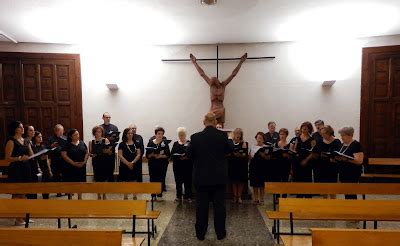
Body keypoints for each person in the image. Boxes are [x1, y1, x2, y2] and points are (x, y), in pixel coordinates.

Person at [188, 112, 232, 241]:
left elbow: (189, 154)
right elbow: (230, 150)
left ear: (204, 122)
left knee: (201, 207)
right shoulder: (223, 136)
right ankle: (220, 233)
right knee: (220, 208)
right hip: (219, 178)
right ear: (215, 122)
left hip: (201, 179)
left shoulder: (195, 137)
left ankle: (200, 234)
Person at [190, 53, 247, 127]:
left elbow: (233, 74)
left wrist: (241, 62)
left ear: (217, 81)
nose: (211, 82)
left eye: (213, 81)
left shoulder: (223, 85)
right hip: (212, 110)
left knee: (221, 128)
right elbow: (202, 74)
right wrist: (194, 62)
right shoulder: (211, 86)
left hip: (221, 109)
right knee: (209, 125)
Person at [5, 121, 33, 225]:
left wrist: (33, 154)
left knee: (25, 194)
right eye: (20, 127)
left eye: (22, 127)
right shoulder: (11, 141)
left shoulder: (25, 140)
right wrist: (20, 158)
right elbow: (7, 158)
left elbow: (30, 154)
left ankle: (25, 217)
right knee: (17, 194)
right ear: (15, 129)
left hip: (26, 168)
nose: (23, 128)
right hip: (16, 169)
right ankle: (18, 218)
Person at [335, 126, 364, 199]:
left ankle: (353, 208)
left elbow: (359, 161)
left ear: (350, 135)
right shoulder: (342, 144)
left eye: (343, 135)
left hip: (352, 172)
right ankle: (348, 206)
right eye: (341, 135)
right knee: (346, 192)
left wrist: (346, 160)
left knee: (351, 192)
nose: (341, 137)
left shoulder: (356, 145)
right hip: (343, 171)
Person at [61, 129, 89, 200]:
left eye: (78, 134)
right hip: (71, 167)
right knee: (71, 183)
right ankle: (70, 198)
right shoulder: (67, 144)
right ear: (70, 136)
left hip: (81, 167)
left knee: (80, 183)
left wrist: (85, 161)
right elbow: (64, 155)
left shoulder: (82, 143)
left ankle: (80, 197)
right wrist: (73, 163)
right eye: (75, 135)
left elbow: (86, 152)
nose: (77, 136)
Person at [291, 122, 316, 198]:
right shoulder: (298, 138)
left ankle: (308, 200)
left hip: (307, 163)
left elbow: (313, 153)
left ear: (309, 129)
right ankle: (299, 199)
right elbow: (295, 149)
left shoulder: (312, 140)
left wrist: (306, 160)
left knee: (306, 182)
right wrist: (294, 153)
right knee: (298, 182)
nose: (303, 130)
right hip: (297, 162)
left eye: (305, 129)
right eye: (302, 128)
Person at [89, 126, 113, 200]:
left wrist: (108, 151)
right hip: (96, 161)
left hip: (104, 161)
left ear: (102, 133)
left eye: (100, 132)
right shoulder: (91, 142)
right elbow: (90, 153)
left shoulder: (105, 140)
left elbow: (110, 153)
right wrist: (91, 154)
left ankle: (104, 194)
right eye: (96, 131)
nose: (98, 133)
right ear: (94, 133)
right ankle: (98, 195)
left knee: (104, 179)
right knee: (97, 179)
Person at [146, 127, 171, 198]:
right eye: (158, 134)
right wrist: (152, 155)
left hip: (162, 164)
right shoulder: (150, 142)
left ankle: (159, 192)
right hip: (152, 164)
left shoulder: (165, 143)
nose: (160, 135)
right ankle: (153, 193)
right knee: (153, 178)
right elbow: (147, 155)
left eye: (161, 134)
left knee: (161, 178)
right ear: (155, 134)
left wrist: (160, 156)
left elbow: (168, 155)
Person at [118, 127, 142, 200]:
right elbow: (120, 155)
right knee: (125, 182)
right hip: (124, 165)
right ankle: (125, 197)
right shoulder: (121, 144)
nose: (130, 134)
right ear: (125, 134)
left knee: (134, 181)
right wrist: (128, 164)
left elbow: (138, 154)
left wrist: (132, 162)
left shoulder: (137, 143)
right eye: (128, 133)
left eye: (131, 133)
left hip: (135, 165)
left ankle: (134, 196)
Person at [171, 127, 193, 202]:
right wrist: (177, 156)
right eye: (180, 135)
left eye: (182, 134)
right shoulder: (175, 143)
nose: (181, 136)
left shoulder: (189, 143)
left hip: (187, 166)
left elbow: (192, 154)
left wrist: (186, 157)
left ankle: (188, 196)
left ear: (185, 134)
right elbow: (172, 155)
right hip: (177, 166)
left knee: (188, 181)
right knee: (178, 182)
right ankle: (178, 196)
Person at [227, 128, 248, 204]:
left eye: (239, 134)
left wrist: (239, 155)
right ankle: (235, 196)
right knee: (234, 181)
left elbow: (245, 154)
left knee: (240, 181)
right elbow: (229, 152)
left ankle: (239, 196)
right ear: (234, 134)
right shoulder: (231, 143)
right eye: (236, 134)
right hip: (233, 164)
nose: (238, 135)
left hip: (241, 165)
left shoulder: (243, 143)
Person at [249, 132, 270, 205]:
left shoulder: (266, 147)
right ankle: (255, 199)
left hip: (263, 167)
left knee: (261, 184)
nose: (259, 139)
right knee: (255, 184)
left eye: (261, 138)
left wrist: (262, 155)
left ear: (263, 139)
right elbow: (250, 157)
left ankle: (261, 199)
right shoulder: (252, 146)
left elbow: (268, 158)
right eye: (258, 137)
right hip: (254, 166)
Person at [47, 124, 67, 197]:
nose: (61, 132)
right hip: (55, 160)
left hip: (65, 160)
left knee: (65, 176)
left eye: (62, 130)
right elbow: (46, 149)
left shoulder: (66, 138)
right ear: (55, 131)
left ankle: (66, 190)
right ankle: (58, 191)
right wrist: (51, 146)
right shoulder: (50, 139)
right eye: (59, 131)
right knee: (56, 176)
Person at [31, 131, 53, 199]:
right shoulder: (32, 147)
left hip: (45, 167)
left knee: (46, 185)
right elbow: (33, 158)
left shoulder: (43, 146)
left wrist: (49, 170)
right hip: (36, 167)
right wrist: (40, 158)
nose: (40, 138)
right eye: (38, 137)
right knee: (35, 186)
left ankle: (46, 198)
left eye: (41, 136)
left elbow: (46, 159)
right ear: (35, 138)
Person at [100, 112, 119, 181]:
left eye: (109, 117)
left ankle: (110, 187)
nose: (108, 119)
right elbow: (98, 138)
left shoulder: (114, 127)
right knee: (102, 171)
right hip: (102, 152)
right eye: (106, 117)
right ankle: (102, 189)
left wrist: (113, 138)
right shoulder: (100, 127)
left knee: (111, 169)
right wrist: (105, 139)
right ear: (103, 118)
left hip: (111, 151)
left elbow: (117, 139)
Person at [23, 125, 39, 199]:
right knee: (31, 187)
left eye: (33, 130)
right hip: (28, 166)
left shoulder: (31, 141)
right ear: (26, 132)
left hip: (33, 165)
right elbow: (31, 155)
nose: (33, 132)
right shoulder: (26, 141)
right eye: (31, 130)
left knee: (34, 187)